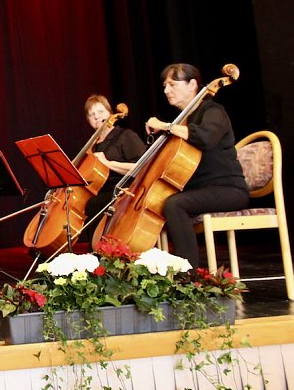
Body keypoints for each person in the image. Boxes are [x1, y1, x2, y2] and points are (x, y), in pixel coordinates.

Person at [145, 63, 248, 268]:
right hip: (200, 191)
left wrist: (166, 126)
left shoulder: (213, 110)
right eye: (164, 85)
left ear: (192, 84)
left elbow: (206, 138)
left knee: (175, 204)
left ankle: (187, 274)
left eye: (173, 84)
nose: (166, 90)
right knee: (159, 201)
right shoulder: (183, 121)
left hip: (228, 190)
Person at [81, 94, 146, 236]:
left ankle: (104, 251)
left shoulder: (125, 136)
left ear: (110, 114)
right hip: (101, 193)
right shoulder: (92, 145)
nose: (97, 117)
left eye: (100, 112)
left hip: (124, 190)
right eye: (92, 115)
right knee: (88, 203)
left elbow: (143, 167)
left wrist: (108, 163)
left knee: (94, 204)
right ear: (88, 120)